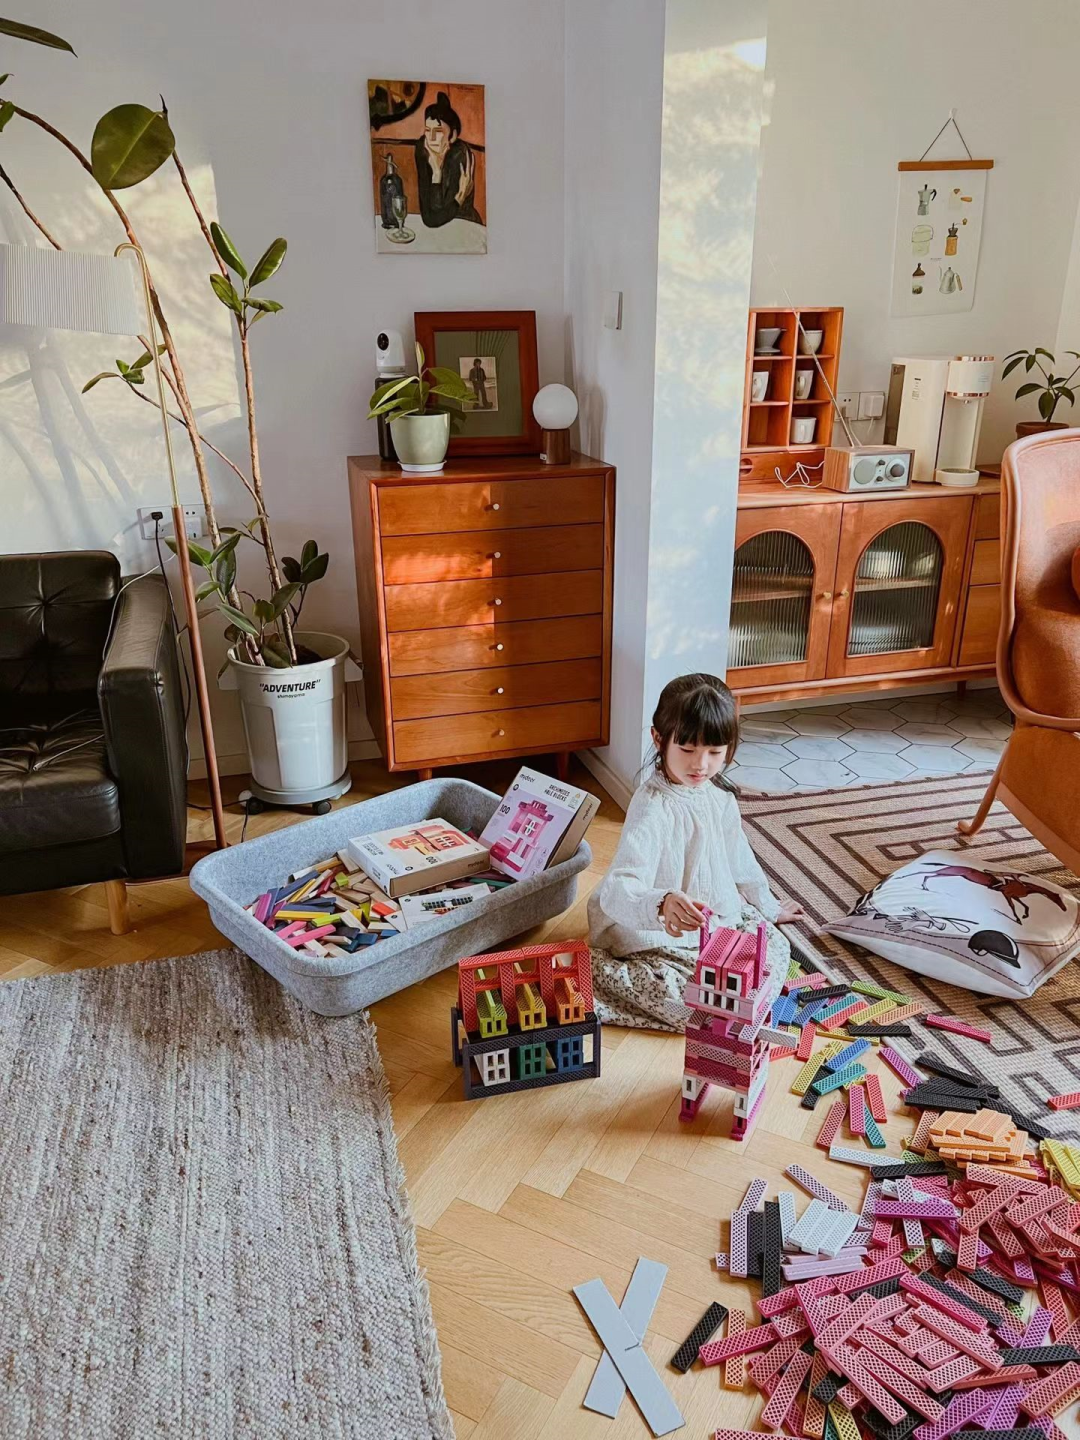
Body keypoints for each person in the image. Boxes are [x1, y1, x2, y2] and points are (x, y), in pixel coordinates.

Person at [588, 672, 805, 1031]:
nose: (701, 765)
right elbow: (618, 889)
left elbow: (739, 859)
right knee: (691, 1003)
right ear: (658, 739)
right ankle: (593, 971)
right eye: (688, 750)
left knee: (773, 953)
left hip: (711, 923)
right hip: (655, 932)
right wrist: (661, 904)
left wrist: (768, 906)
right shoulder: (652, 807)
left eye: (715, 752)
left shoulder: (718, 797)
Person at [414, 90, 482, 229]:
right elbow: (429, 217)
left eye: (438, 131)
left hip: (464, 224)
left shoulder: (460, 154)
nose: (431, 138)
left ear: (453, 136)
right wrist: (436, 173)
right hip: (439, 228)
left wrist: (458, 200)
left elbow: (440, 215)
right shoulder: (422, 149)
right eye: (428, 130)